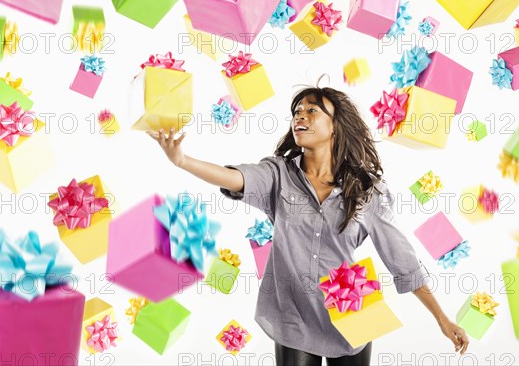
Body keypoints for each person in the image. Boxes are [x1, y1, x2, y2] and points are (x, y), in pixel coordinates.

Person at [148, 85, 469, 365]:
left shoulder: (366, 189)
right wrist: (182, 160)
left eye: (311, 110)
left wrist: (441, 318)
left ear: (335, 126)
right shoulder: (277, 175)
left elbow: (401, 259)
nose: (300, 116)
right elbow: (236, 177)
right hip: (293, 307)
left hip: (351, 300)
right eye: (296, 111)